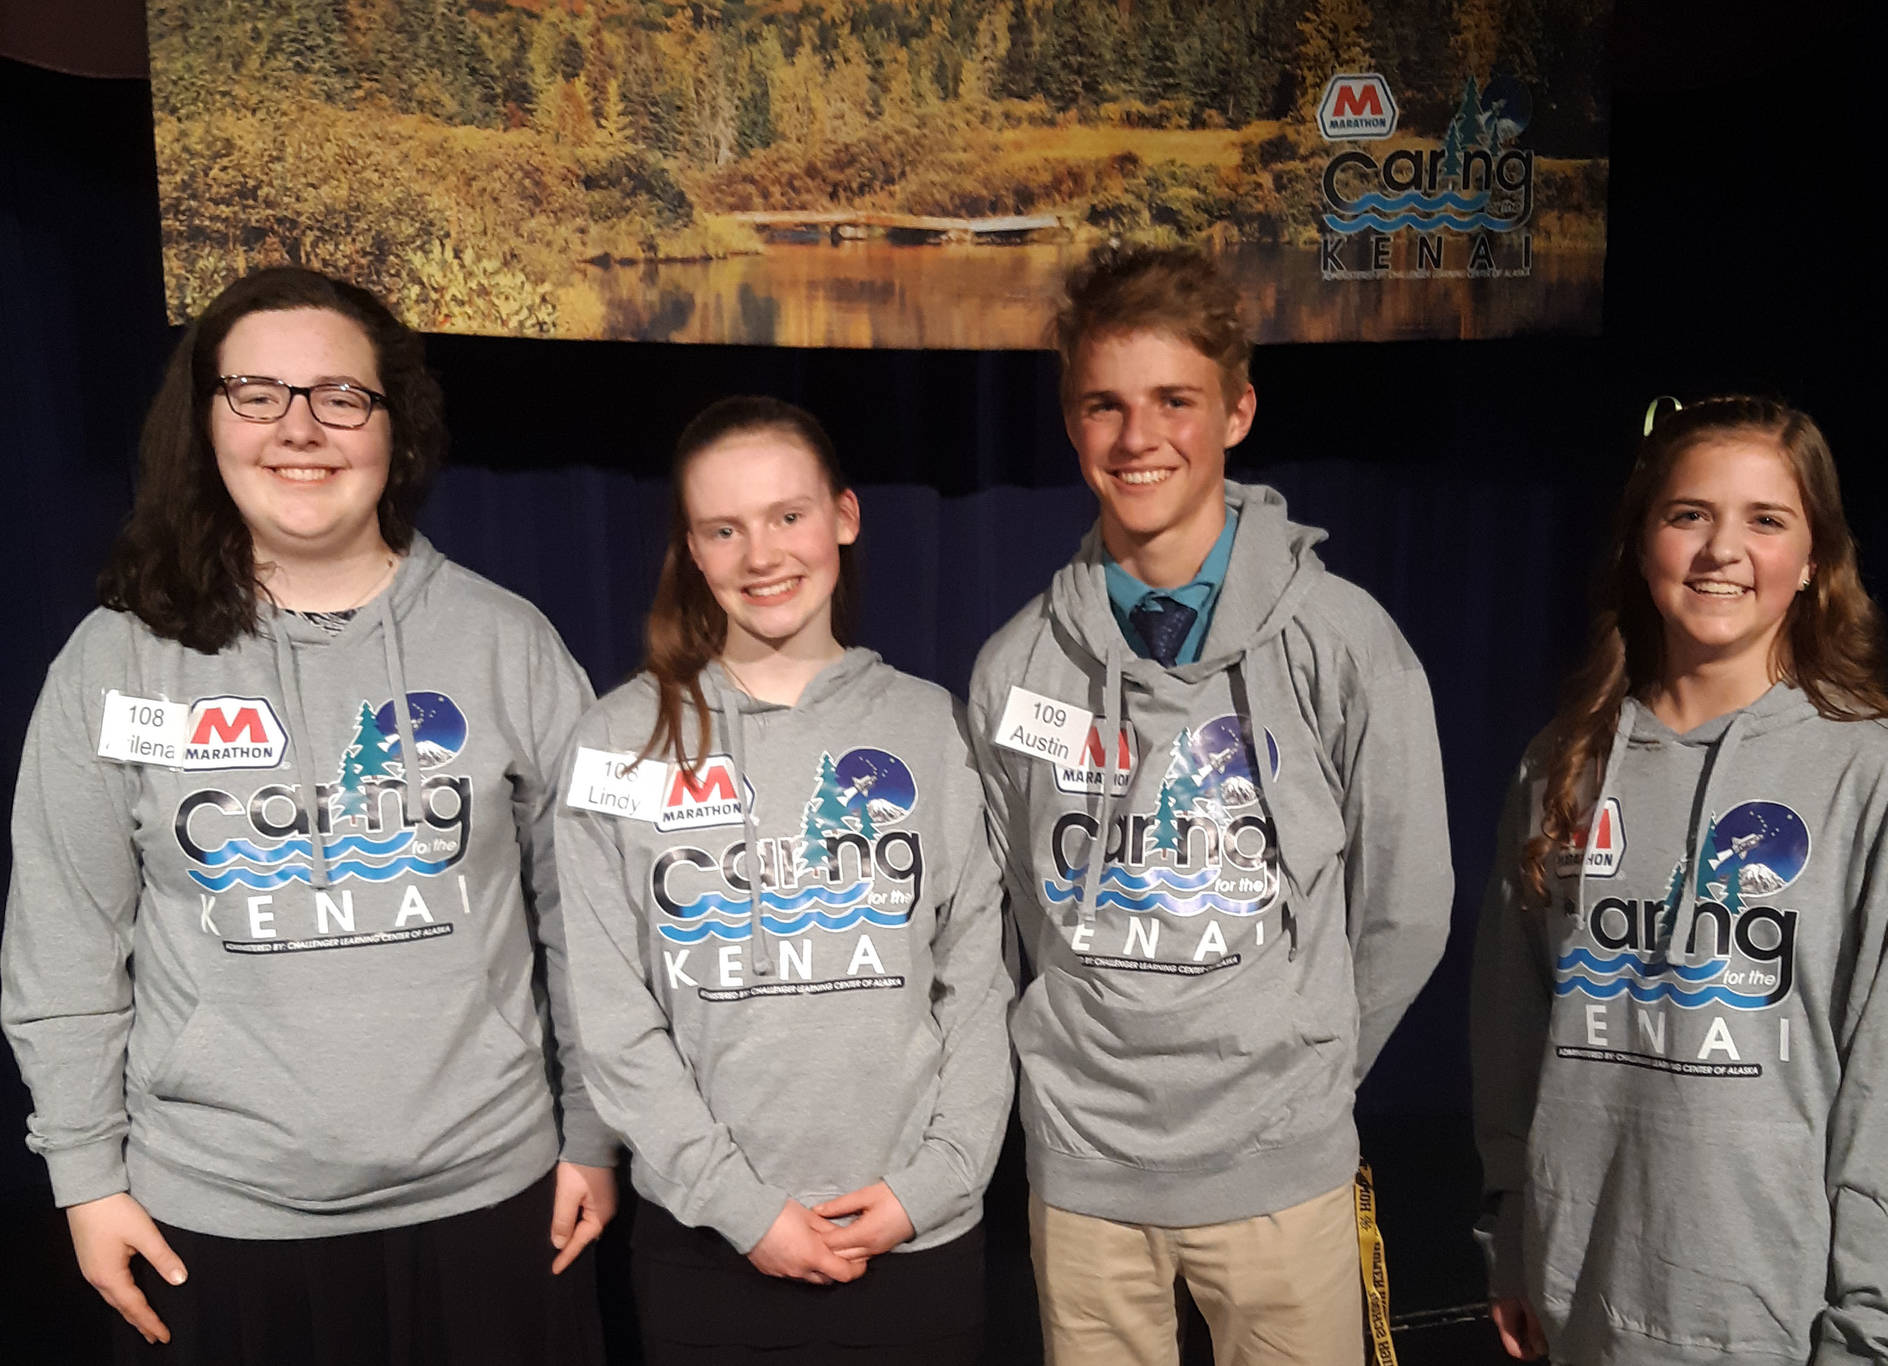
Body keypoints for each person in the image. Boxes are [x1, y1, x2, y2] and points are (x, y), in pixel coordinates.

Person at [0, 266, 613, 1365]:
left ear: (395, 427)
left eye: (340, 396)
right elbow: (65, 940)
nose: (299, 429)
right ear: (205, 420)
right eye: (257, 394)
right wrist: (84, 1175)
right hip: (215, 1222)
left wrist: (595, 1131)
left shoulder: (505, 641)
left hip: (494, 1201)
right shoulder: (118, 659)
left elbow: (593, 916)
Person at [966, 245, 1453, 1364]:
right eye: (1105, 405)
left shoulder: (1342, 642)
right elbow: (1001, 922)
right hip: (1086, 1176)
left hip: (1277, 1168)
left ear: (1234, 411)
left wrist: (1306, 1061)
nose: (1138, 439)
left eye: (1172, 401)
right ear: (1072, 423)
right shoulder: (1015, 667)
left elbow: (1408, 903)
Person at [1470, 396, 1888, 1364]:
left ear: (1814, 561)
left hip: (1776, 1324)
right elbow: (1511, 1029)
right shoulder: (1562, 766)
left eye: (1763, 519)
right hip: (1579, 1305)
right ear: (1639, 541)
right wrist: (1512, 1234)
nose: (1719, 550)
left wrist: (1882, 1336)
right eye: (1686, 514)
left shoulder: (1873, 781)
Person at [553, 395, 1011, 1364]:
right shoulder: (616, 740)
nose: (762, 554)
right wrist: (743, 1209)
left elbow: (975, 985)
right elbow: (610, 1014)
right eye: (725, 528)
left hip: (914, 1242)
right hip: (708, 1250)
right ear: (693, 547)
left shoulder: (928, 726)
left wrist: (928, 1186)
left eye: (787, 516)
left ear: (842, 517)